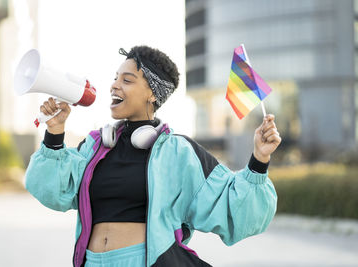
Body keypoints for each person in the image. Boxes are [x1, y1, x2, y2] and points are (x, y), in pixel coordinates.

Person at [25, 45, 281, 267]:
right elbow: (52, 191)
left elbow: (235, 209)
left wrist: (259, 159)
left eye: (127, 80)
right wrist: (55, 132)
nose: (114, 85)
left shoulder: (179, 152)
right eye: (115, 78)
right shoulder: (95, 147)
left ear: (153, 93)